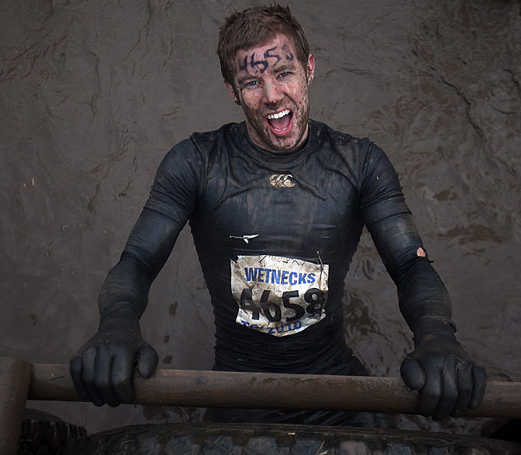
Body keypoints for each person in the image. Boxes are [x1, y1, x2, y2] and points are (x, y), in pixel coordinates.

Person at [70, 4, 486, 426]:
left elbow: (408, 263)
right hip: (237, 392)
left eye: (283, 73)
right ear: (233, 91)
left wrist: (436, 332)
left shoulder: (360, 163)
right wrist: (117, 324)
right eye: (252, 82)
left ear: (309, 69)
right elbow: (137, 261)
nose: (271, 96)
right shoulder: (196, 163)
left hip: (335, 388)